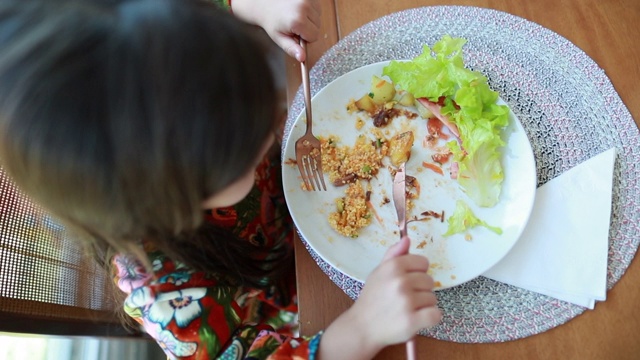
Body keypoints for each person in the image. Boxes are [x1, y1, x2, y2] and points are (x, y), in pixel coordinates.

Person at [0, 0, 442, 359]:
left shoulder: (145, 38)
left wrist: (249, 7)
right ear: (166, 194)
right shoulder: (166, 298)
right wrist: (360, 332)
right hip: (305, 305)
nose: (273, 132)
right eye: (246, 149)